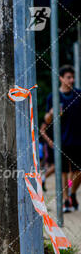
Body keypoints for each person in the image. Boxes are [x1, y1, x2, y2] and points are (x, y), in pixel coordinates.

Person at [45, 65, 81, 213]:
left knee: (77, 171)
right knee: (63, 172)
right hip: (61, 140)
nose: (71, 80)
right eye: (68, 77)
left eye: (73, 77)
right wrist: (52, 113)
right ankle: (66, 200)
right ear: (61, 78)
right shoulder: (53, 97)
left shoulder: (78, 94)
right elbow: (47, 121)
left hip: (78, 139)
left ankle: (72, 193)